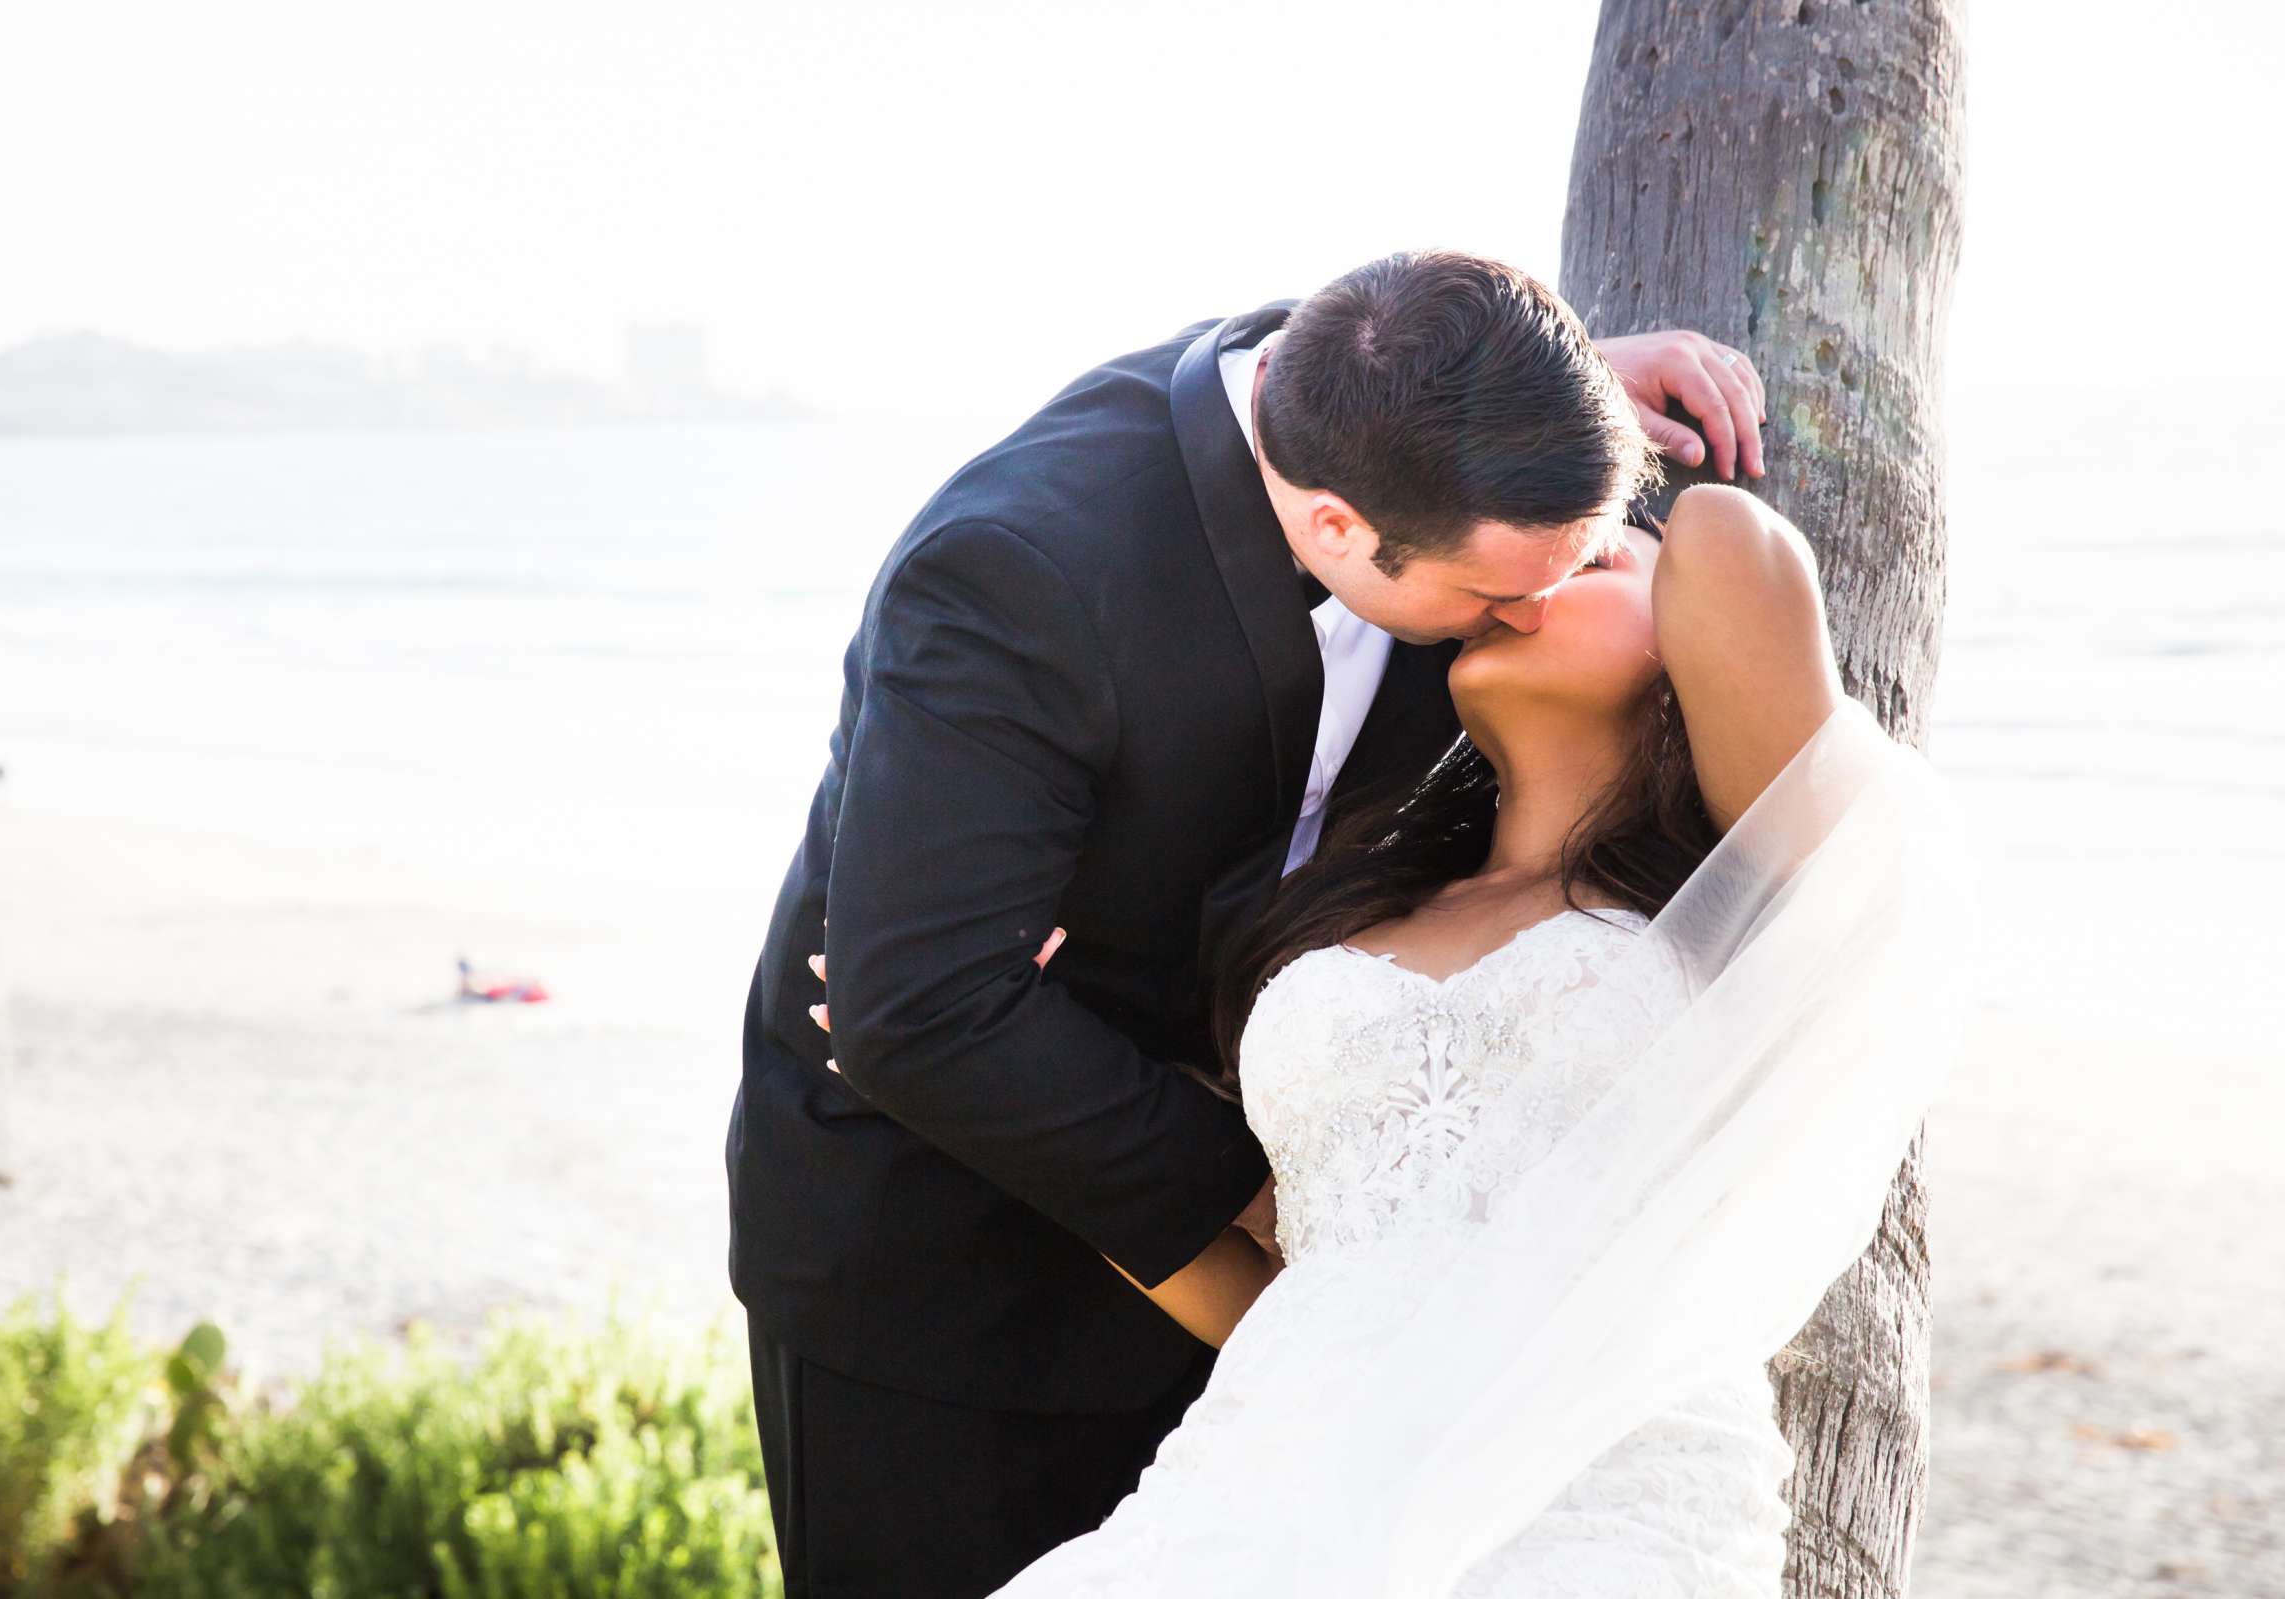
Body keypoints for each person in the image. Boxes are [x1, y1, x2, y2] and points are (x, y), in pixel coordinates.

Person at [726, 250, 1770, 1598]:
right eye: (1493, 593)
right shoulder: (1018, 568)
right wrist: (1329, 1196)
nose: (1532, 613)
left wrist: (1560, 407)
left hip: (1273, 1343)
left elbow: (1419, 371)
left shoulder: (1401, 433)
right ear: (1339, 527)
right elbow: (916, 1012)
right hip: (947, 1287)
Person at [816, 484, 1972, 1595]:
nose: (1538, 585)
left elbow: (1726, 539)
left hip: (1590, 1503)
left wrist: (1559, 462)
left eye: (1595, 560)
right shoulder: (1342, 916)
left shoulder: (1745, 908)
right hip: (1270, 1480)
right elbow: (1303, 1287)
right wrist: (986, 1068)